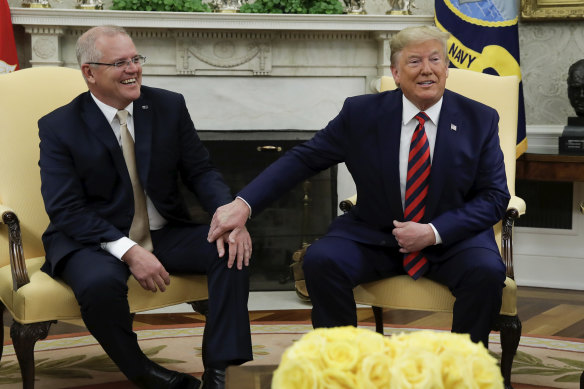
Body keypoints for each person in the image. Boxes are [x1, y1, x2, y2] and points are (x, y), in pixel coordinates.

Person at [207, 25, 510, 348]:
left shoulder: (479, 119)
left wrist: (433, 231)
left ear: (446, 68)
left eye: (435, 59)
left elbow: (494, 197)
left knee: (486, 272)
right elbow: (303, 160)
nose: (427, 70)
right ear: (395, 72)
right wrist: (243, 205)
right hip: (377, 236)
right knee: (322, 259)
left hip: (452, 239)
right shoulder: (361, 114)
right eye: (414, 61)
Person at [38, 25, 252, 389]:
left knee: (230, 249)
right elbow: (66, 208)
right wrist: (128, 250)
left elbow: (200, 171)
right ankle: (147, 374)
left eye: (136, 59)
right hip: (93, 239)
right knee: (99, 285)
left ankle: (220, 371)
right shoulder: (59, 126)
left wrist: (228, 215)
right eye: (120, 62)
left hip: (163, 231)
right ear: (89, 72)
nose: (133, 69)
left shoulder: (168, 105)